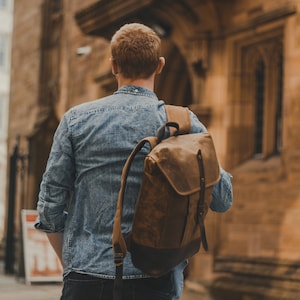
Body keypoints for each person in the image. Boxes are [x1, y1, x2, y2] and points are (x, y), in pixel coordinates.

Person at [35, 23, 233, 300]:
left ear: (113, 66)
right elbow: (223, 199)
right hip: (157, 279)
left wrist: (73, 263)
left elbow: (49, 209)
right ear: (160, 65)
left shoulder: (75, 120)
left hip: (86, 277)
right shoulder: (183, 122)